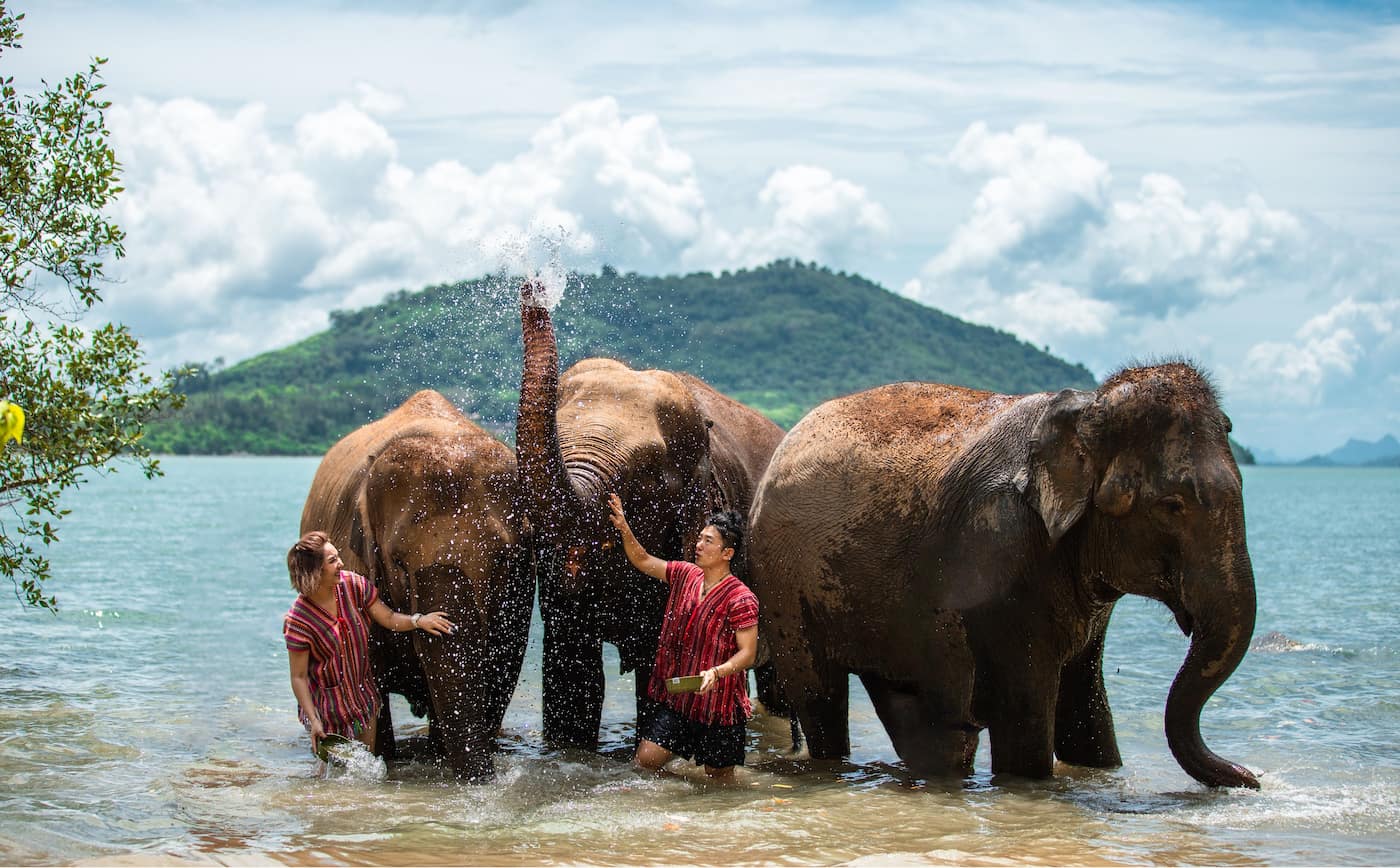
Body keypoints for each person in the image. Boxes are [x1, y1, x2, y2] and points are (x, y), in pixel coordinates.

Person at [607, 493, 759, 780]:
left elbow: (747, 653)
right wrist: (624, 527)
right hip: (681, 701)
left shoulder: (741, 598)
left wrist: (717, 672)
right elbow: (643, 560)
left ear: (728, 553)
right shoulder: (685, 574)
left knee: (720, 783)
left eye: (708, 541)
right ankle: (683, 796)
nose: (698, 545)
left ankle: (711, 818)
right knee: (644, 764)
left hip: (721, 710)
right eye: (699, 538)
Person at [283, 530, 455, 759]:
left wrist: (419, 621)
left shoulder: (353, 586)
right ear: (315, 571)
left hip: (363, 702)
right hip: (327, 712)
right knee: (331, 776)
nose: (341, 564)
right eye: (333, 560)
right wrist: (314, 720)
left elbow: (389, 618)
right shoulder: (298, 620)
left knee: (366, 771)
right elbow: (299, 677)